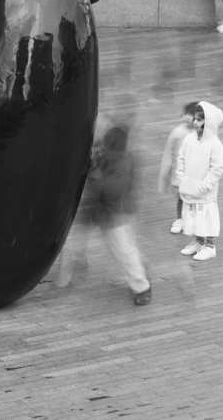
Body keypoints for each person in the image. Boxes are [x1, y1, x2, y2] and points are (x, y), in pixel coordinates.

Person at [56, 119, 152, 306]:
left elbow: (109, 191)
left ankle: (142, 287)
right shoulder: (100, 147)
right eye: (105, 148)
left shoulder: (124, 164)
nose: (106, 152)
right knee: (71, 244)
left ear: (120, 152)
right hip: (92, 206)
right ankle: (61, 282)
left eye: (111, 152)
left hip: (114, 211)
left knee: (124, 251)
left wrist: (93, 168)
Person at [175, 102, 223, 260]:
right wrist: (181, 177)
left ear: (208, 122)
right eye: (195, 119)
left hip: (205, 191)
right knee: (194, 216)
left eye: (199, 120)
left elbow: (217, 168)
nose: (194, 122)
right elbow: (181, 158)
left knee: (206, 216)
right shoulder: (189, 139)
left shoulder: (215, 145)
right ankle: (198, 242)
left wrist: (204, 186)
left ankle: (210, 246)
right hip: (189, 186)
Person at [158, 101, 199, 235]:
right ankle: (180, 219)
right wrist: (164, 179)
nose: (188, 117)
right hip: (180, 174)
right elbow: (168, 155)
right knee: (182, 198)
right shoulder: (178, 132)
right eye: (187, 113)